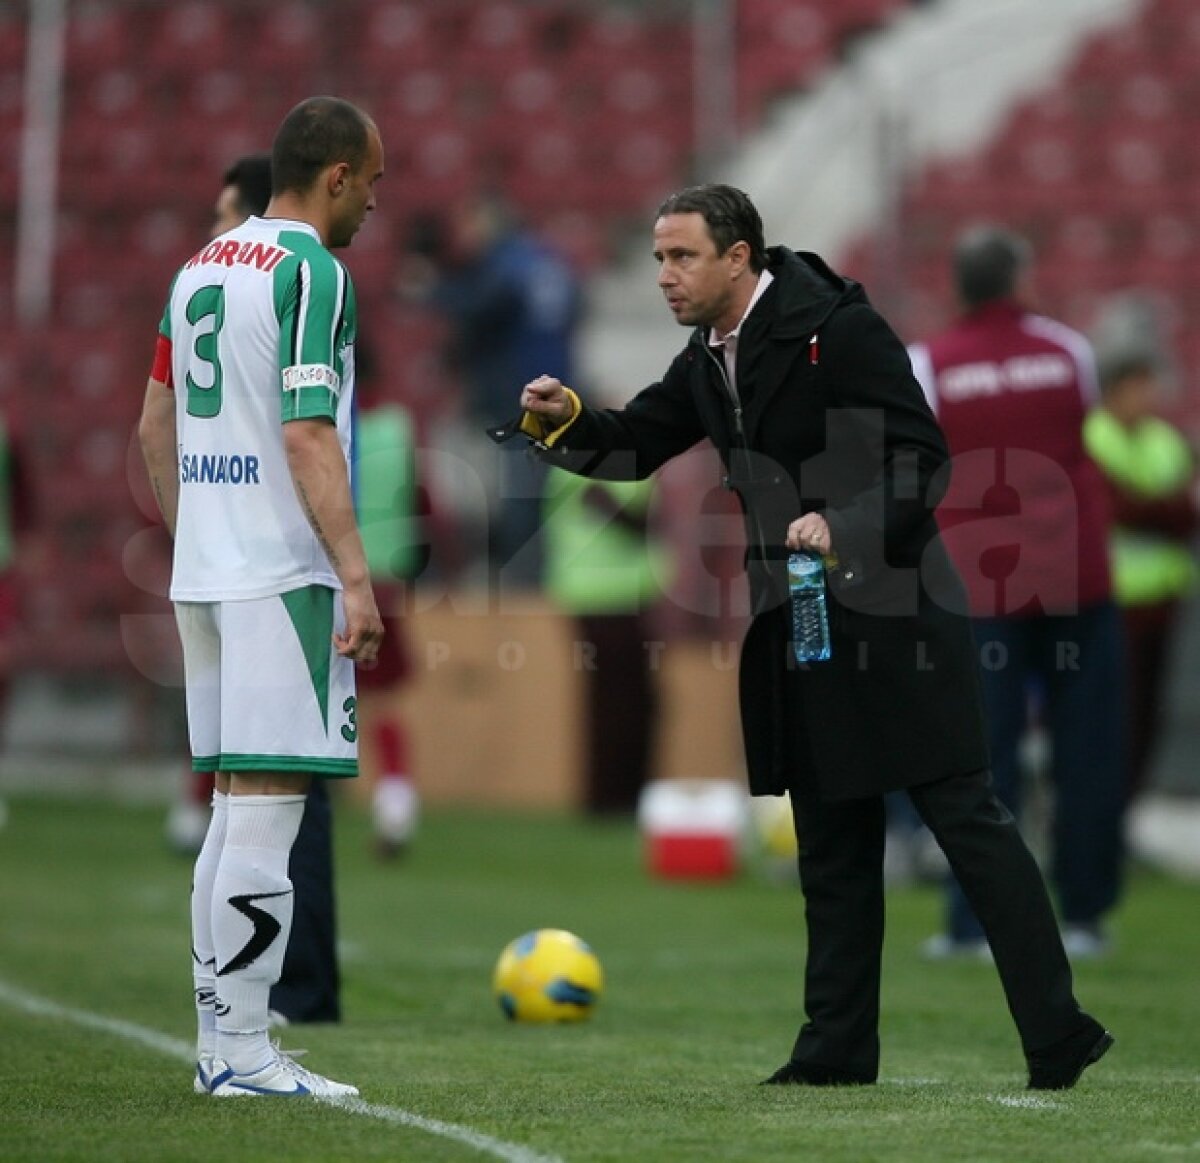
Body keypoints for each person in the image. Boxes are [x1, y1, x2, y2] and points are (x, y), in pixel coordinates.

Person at [493, 183, 1112, 1089]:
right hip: (805, 616)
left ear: (738, 258)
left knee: (966, 821)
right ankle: (836, 1050)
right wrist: (567, 422)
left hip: (899, 611)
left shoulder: (842, 328)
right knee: (831, 841)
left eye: (681, 257)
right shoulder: (708, 357)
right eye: (659, 257)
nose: (664, 275)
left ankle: (1059, 1036)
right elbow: (636, 444)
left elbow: (924, 461)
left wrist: (844, 523)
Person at [139, 96, 384, 1098]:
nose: (374, 201)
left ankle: (219, 1041)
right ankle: (244, 1049)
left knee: (233, 804)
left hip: (205, 568)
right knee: (271, 811)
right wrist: (358, 577)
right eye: (371, 181)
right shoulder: (312, 271)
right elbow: (307, 431)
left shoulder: (201, 265)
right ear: (334, 176)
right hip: (283, 575)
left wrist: (197, 533)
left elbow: (156, 424)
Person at [908, 225, 1126, 962]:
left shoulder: (929, 364)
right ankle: (1088, 916)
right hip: (1078, 575)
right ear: (1021, 279)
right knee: (1088, 753)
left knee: (978, 761)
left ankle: (973, 926)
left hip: (982, 587)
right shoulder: (1069, 351)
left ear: (958, 287)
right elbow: (1082, 435)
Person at [415, 192, 582, 590]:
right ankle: (526, 578)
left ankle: (521, 586)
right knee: (534, 490)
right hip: (554, 391)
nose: (467, 235)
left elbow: (479, 306)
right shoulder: (549, 262)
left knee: (519, 495)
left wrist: (430, 289)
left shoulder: (505, 265)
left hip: (519, 397)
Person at [1083, 350, 1198, 803]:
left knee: (1148, 714)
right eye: (1139, 387)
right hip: (1110, 599)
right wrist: (1159, 508)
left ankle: (1125, 812)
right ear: (1113, 392)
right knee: (1113, 714)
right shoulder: (1092, 436)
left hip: (1162, 599)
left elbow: (1186, 514)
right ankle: (1101, 810)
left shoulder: (1165, 439)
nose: (1148, 397)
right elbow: (1113, 507)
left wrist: (1149, 507)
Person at [542, 470, 669, 815]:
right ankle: (611, 798)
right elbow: (618, 512)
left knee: (633, 702)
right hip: (599, 596)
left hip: (629, 595)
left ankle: (624, 795)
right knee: (617, 704)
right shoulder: (583, 453)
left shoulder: (625, 453)